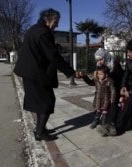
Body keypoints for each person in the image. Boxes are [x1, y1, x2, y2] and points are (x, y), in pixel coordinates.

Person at [13, 8, 78, 141]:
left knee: (39, 102)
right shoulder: (43, 33)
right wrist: (70, 72)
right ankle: (40, 133)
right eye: (56, 22)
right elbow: (54, 56)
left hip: (29, 72)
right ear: (47, 19)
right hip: (36, 73)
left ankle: (39, 129)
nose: (57, 25)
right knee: (47, 101)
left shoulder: (34, 29)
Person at [78, 47, 124, 136]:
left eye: (101, 59)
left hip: (114, 93)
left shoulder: (115, 65)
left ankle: (107, 125)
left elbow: (117, 82)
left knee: (109, 111)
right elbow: (94, 82)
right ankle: (98, 122)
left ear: (105, 57)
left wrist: (114, 97)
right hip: (101, 96)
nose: (99, 62)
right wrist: (85, 76)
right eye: (97, 60)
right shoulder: (99, 67)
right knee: (98, 110)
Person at [90, 65, 117, 136]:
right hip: (98, 99)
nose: (99, 75)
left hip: (106, 100)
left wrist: (112, 99)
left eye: (101, 74)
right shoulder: (96, 80)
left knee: (104, 113)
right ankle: (95, 121)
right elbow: (90, 82)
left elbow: (113, 90)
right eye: (98, 74)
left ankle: (103, 125)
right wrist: (84, 76)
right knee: (98, 111)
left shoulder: (110, 81)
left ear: (106, 74)